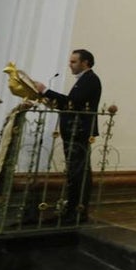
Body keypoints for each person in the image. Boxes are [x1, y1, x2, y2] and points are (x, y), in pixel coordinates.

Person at [34, 49, 102, 221]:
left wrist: (46, 90)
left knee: (79, 171)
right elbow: (74, 106)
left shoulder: (90, 79)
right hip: (74, 130)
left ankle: (77, 211)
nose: (70, 65)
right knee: (74, 171)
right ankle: (73, 209)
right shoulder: (84, 80)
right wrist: (53, 103)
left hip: (78, 131)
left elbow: (74, 102)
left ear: (85, 63)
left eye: (73, 62)